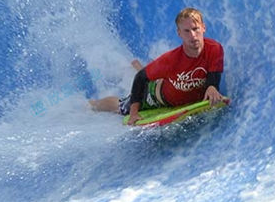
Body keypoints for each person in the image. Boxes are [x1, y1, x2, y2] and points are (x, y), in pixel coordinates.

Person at [89, 8, 227, 125]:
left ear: (203, 27)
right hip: (157, 96)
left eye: (195, 29)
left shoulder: (214, 49)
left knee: (153, 73)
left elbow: (213, 76)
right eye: (186, 31)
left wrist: (212, 87)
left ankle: (139, 66)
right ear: (179, 33)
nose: (192, 35)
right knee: (122, 107)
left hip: (173, 86)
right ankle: (93, 104)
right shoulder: (171, 59)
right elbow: (140, 77)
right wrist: (133, 113)